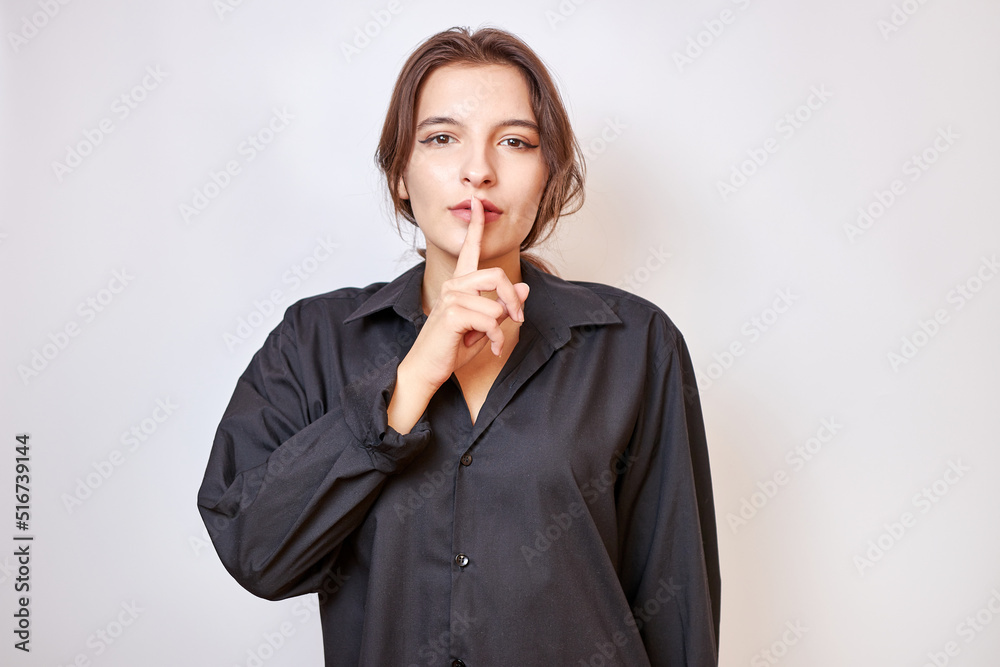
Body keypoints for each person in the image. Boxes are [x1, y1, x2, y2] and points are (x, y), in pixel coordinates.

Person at [198, 25, 720, 666]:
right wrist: (410, 382)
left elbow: (676, 605)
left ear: (549, 175)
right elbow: (256, 552)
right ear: (400, 173)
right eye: (442, 138)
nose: (479, 171)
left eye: (515, 141)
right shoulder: (313, 341)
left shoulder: (635, 344)